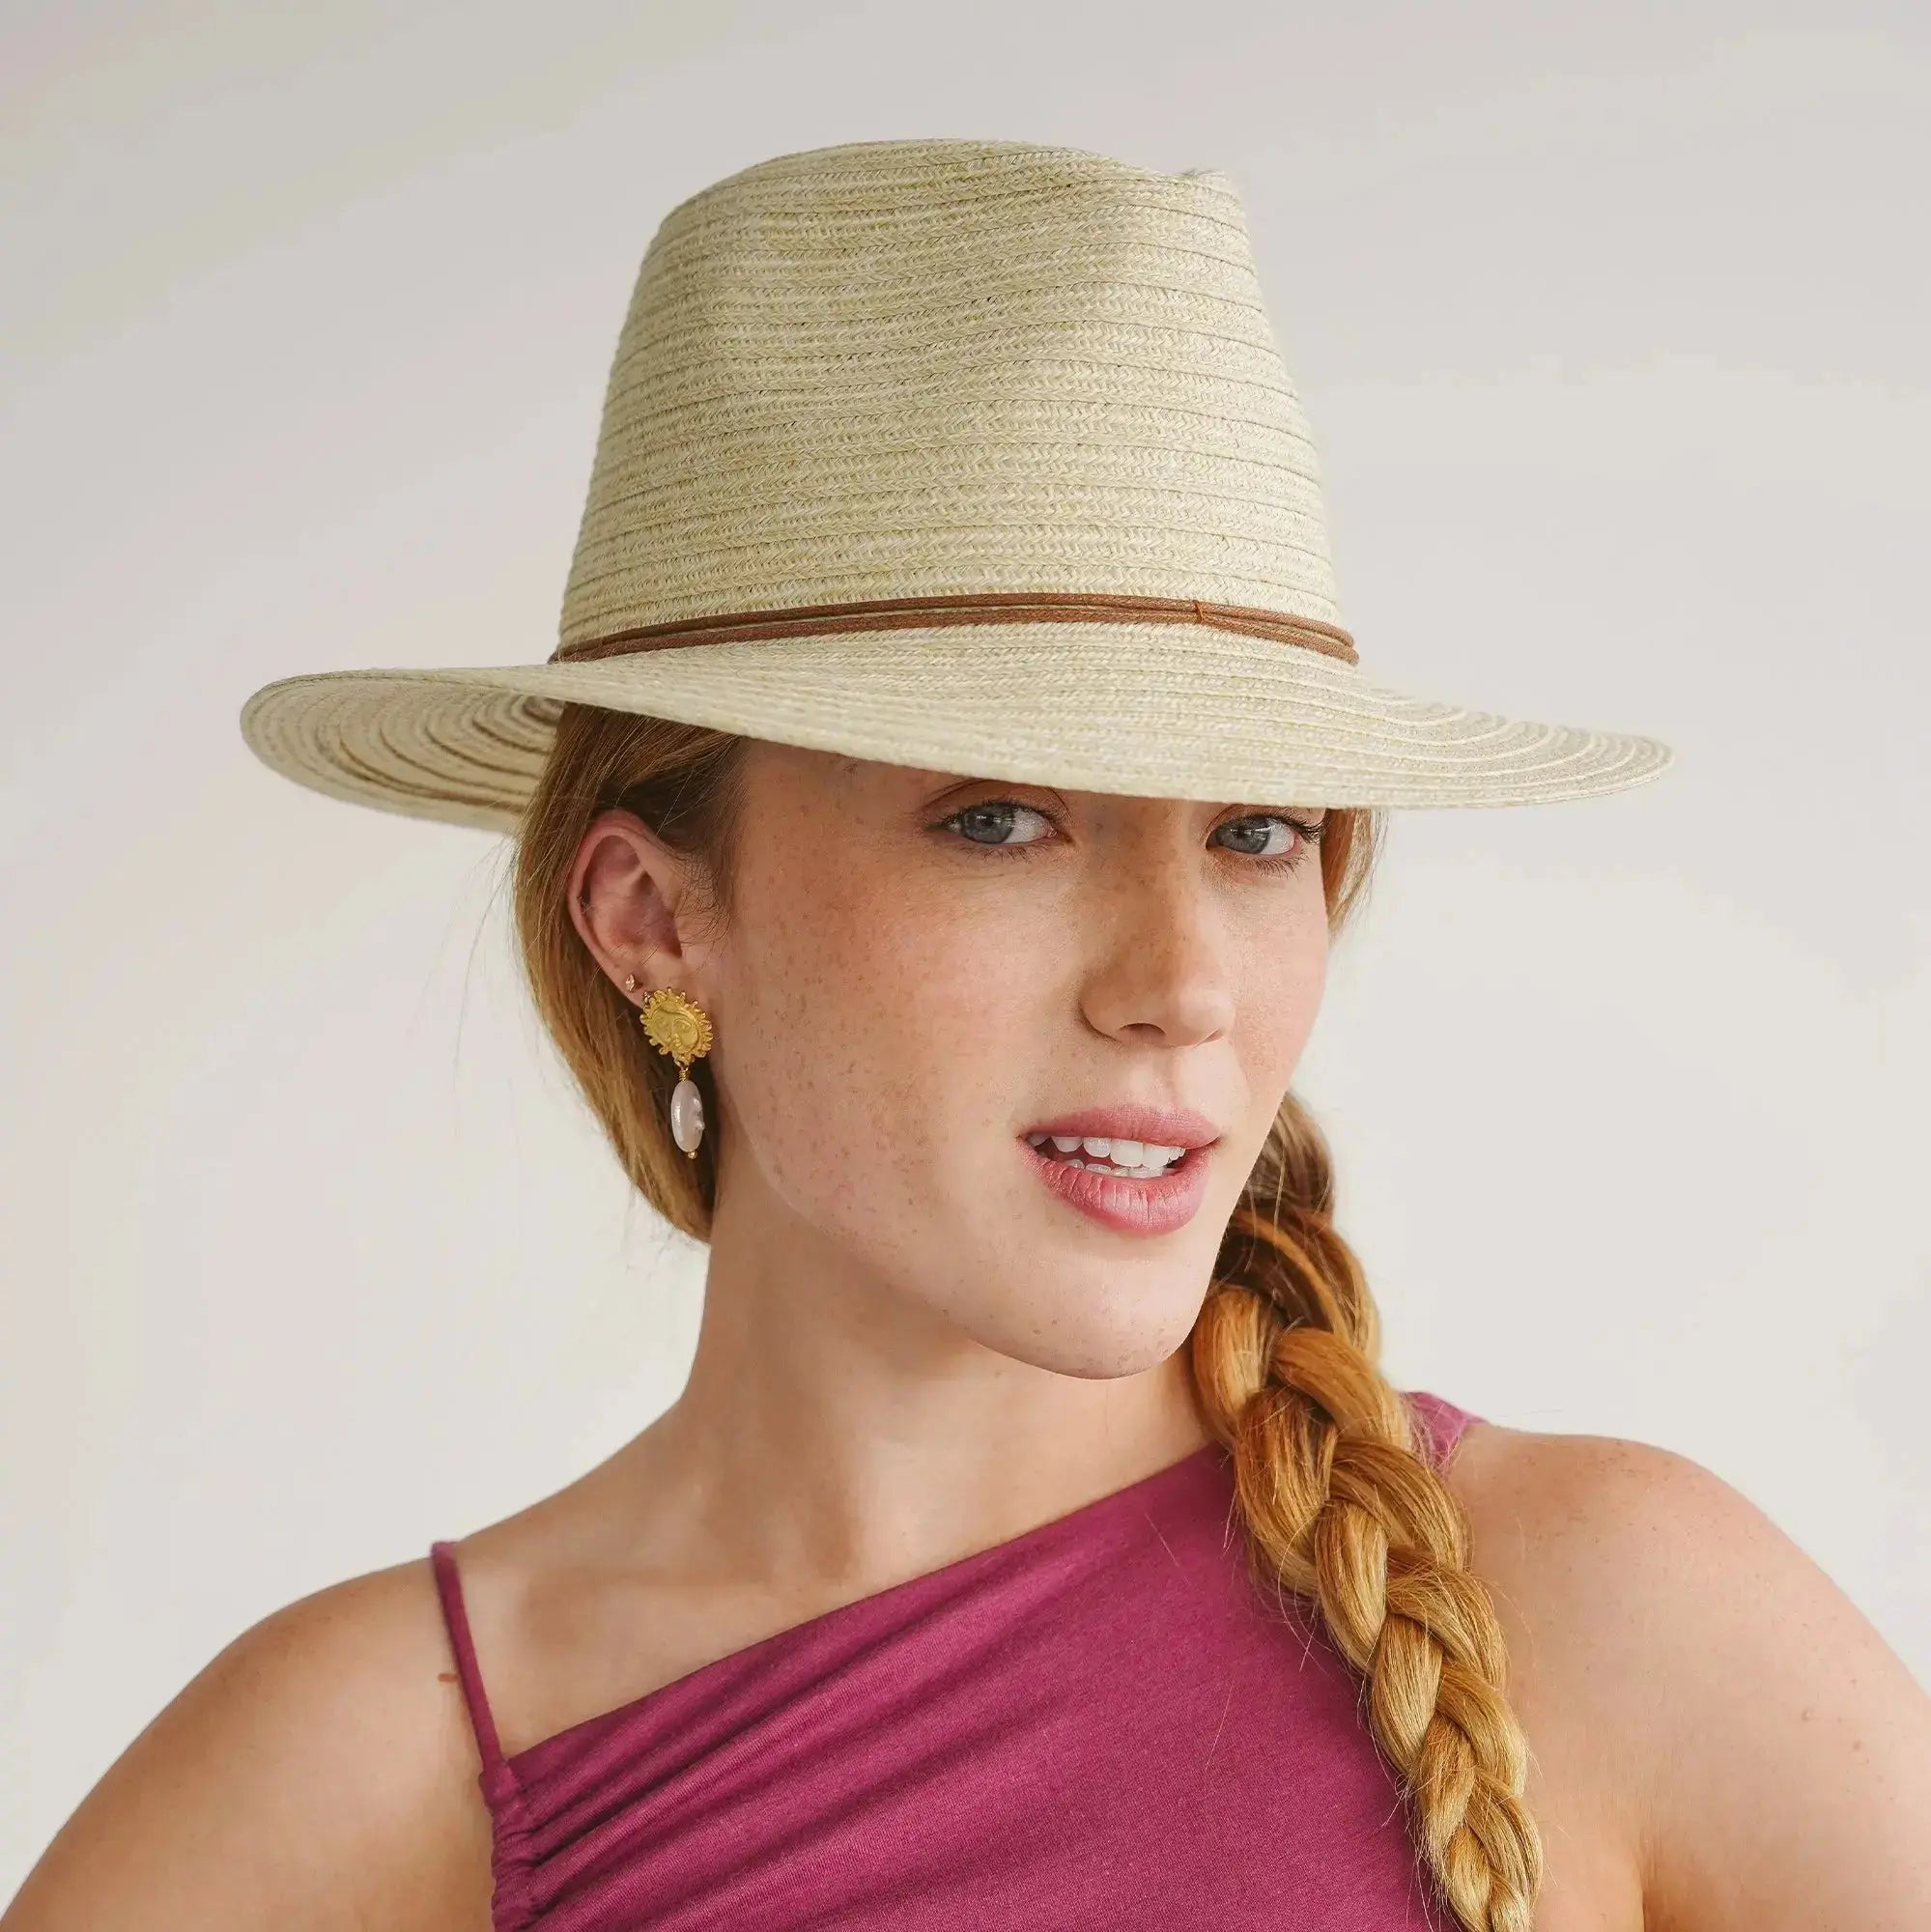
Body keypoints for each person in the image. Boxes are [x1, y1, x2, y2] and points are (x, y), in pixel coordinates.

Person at [8, 135, 1928, 1932]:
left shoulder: (1617, 1612)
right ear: (652, 913)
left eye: (1258, 832)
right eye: (1003, 819)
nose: (1181, 980)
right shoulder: (365, 1776)